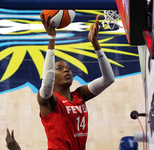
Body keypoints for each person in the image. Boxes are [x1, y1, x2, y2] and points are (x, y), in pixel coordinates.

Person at [37, 13, 115, 150]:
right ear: (52, 75)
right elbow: (47, 82)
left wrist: (96, 45)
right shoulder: (49, 101)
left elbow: (108, 79)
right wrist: (51, 38)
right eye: (59, 68)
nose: (66, 70)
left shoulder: (80, 95)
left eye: (68, 68)